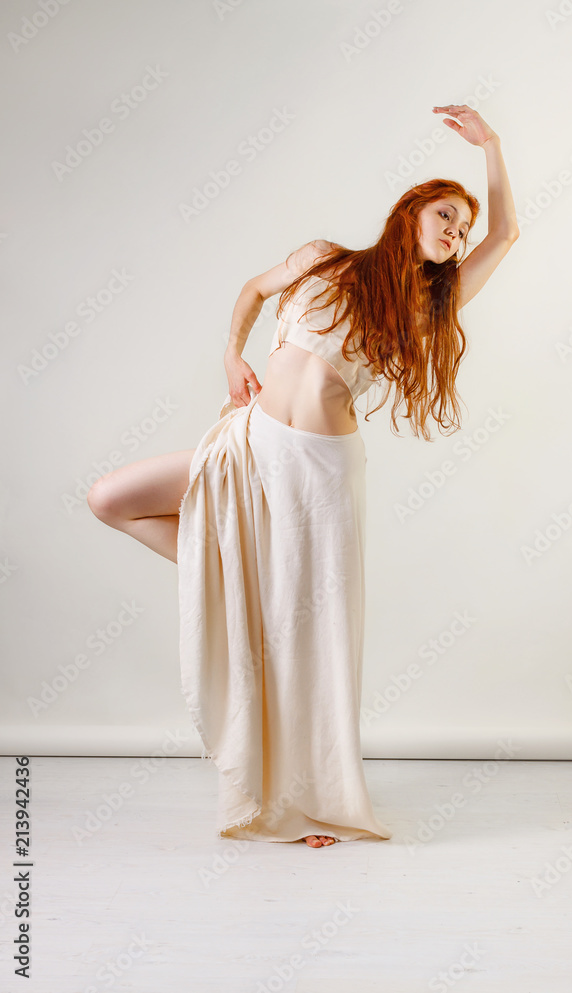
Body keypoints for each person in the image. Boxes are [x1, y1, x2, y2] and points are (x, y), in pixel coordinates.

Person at [86, 104, 519, 848]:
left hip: (318, 472)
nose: (457, 233)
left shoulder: (422, 303)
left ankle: (309, 799)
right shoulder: (322, 257)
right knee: (111, 498)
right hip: (248, 444)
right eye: (448, 216)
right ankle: (225, 577)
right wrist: (232, 352)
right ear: (410, 212)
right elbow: (253, 290)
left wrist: (494, 147)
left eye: (461, 230)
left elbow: (507, 234)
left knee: (302, 636)